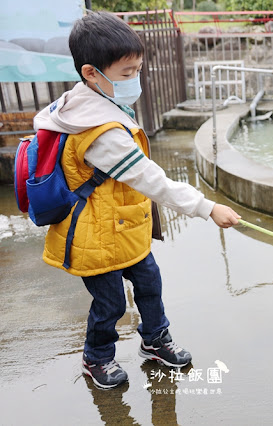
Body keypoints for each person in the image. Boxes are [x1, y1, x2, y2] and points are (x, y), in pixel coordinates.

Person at [33, 11, 241, 390]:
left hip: (122, 225)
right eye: (126, 73)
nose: (135, 80)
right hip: (95, 237)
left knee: (149, 282)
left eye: (137, 70)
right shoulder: (100, 132)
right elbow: (150, 179)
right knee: (110, 303)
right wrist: (206, 207)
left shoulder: (86, 102)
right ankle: (96, 358)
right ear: (91, 73)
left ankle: (155, 338)